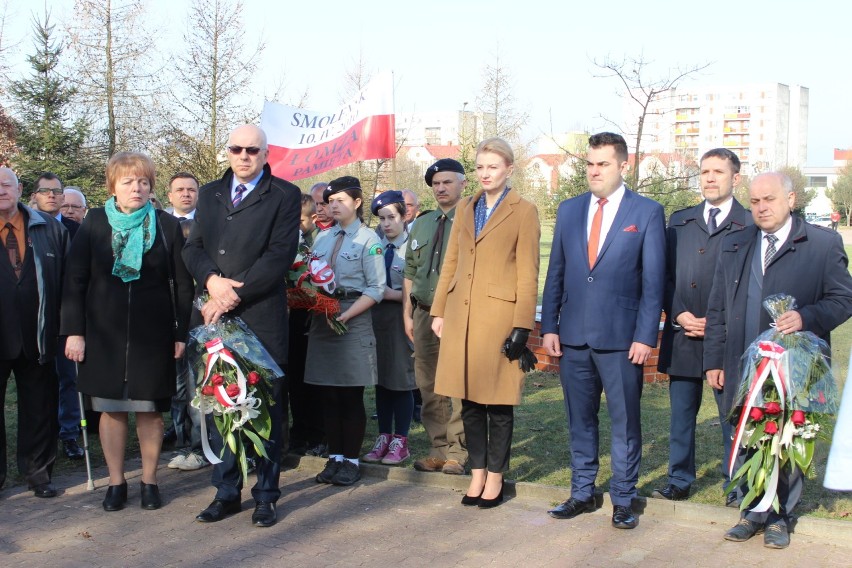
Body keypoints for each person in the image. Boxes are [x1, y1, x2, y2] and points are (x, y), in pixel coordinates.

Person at [704, 172, 852, 548]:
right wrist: (714, 360)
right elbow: (718, 307)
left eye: (769, 199)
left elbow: (844, 298)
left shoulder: (822, 244)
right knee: (748, 435)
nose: (761, 208)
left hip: (795, 367)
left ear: (791, 198)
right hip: (741, 363)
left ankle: (780, 518)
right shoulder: (735, 244)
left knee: (787, 439)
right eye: (754, 202)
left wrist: (808, 317)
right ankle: (752, 512)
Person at [541, 132, 666, 529]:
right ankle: (582, 492)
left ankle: (624, 499)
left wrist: (646, 335)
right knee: (579, 419)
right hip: (573, 336)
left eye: (603, 164)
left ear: (623, 166)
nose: (594, 171)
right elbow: (556, 272)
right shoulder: (569, 209)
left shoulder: (646, 212)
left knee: (625, 421)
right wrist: (549, 326)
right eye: (590, 164)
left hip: (623, 339)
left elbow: (653, 282)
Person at [184, 124, 301, 527]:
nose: (244, 155)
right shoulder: (211, 194)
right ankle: (226, 491)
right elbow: (192, 247)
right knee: (222, 405)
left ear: (266, 153)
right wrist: (213, 283)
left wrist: (235, 294)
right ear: (228, 152)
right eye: (237, 148)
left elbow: (279, 255)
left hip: (259, 316)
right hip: (213, 317)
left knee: (264, 408)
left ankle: (266, 494)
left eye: (253, 149)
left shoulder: (285, 195)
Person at [62, 152, 194, 511]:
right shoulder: (93, 222)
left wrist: (181, 332)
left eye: (143, 182)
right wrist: (74, 331)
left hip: (153, 335)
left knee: (149, 410)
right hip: (103, 332)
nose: (136, 188)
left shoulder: (166, 226)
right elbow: (75, 280)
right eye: (128, 181)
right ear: (113, 186)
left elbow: (183, 285)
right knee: (111, 409)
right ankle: (116, 482)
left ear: (151, 186)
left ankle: (150, 481)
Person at [431, 138, 540, 508]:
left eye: (493, 167)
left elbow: (528, 272)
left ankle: (496, 476)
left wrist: (522, 325)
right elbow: (452, 261)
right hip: (461, 315)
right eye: (480, 167)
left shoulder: (524, 211)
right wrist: (439, 310)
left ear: (509, 169)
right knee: (468, 401)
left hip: (499, 318)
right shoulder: (465, 206)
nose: (485, 174)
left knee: (497, 401)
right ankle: (476, 473)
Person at [653, 148, 752, 506]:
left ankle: (737, 483)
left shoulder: (750, 223)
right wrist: (677, 314)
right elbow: (661, 277)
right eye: (705, 171)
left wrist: (719, 322)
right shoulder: (679, 221)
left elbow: (753, 284)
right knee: (681, 416)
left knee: (733, 416)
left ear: (735, 178)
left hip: (727, 338)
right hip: (683, 334)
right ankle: (679, 478)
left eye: (718, 172)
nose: (710, 178)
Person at [304, 176, 385, 486]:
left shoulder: (368, 239)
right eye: (329, 200)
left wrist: (346, 315)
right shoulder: (322, 238)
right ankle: (334, 457)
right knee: (328, 394)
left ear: (357, 202)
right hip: (323, 320)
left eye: (340, 200)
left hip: (352, 317)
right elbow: (311, 276)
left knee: (350, 395)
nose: (333, 205)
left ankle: (351, 460)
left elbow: (377, 289)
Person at [0, 167, 69, 498]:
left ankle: (38, 473)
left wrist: (68, 329)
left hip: (39, 334)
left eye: (6, 184)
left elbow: (69, 284)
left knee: (39, 407)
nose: (1, 190)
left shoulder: (49, 229)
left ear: (19, 188)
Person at [403, 158, 469, 475]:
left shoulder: (472, 220)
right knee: (428, 384)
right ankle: (438, 448)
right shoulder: (422, 223)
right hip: (423, 313)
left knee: (456, 383)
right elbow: (411, 271)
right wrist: (407, 313)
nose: (440, 188)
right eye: (436, 183)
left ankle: (458, 451)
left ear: (462, 184)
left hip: (458, 314)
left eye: (447, 182)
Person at [31, 172, 86, 461]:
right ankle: (43, 432)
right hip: (34, 318)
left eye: (56, 191)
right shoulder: (25, 227)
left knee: (68, 378)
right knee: (40, 378)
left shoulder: (74, 230)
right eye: (45, 191)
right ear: (35, 196)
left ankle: (69, 434)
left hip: (65, 317)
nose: (51, 196)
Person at [362, 190, 416, 465]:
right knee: (381, 380)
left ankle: (400, 440)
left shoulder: (413, 248)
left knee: (400, 380)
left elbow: (418, 287)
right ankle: (383, 436)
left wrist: (391, 294)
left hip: (400, 320)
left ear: (404, 216)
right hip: (375, 320)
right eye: (382, 218)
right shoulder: (374, 246)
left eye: (391, 217)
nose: (386, 224)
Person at [162, 172, 208, 472]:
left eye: (191, 189)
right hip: (166, 313)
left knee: (194, 383)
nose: (186, 194)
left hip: (198, 313)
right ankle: (179, 437)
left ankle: (198, 445)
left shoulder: (207, 223)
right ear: (170, 194)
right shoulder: (160, 224)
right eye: (179, 189)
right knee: (174, 385)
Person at [286, 193, 326, 456]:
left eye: (300, 219)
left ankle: (319, 433)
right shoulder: (287, 241)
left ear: (313, 217)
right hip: (291, 316)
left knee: (315, 380)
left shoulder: (320, 242)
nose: (296, 225)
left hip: (316, 315)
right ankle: (298, 430)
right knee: (294, 378)